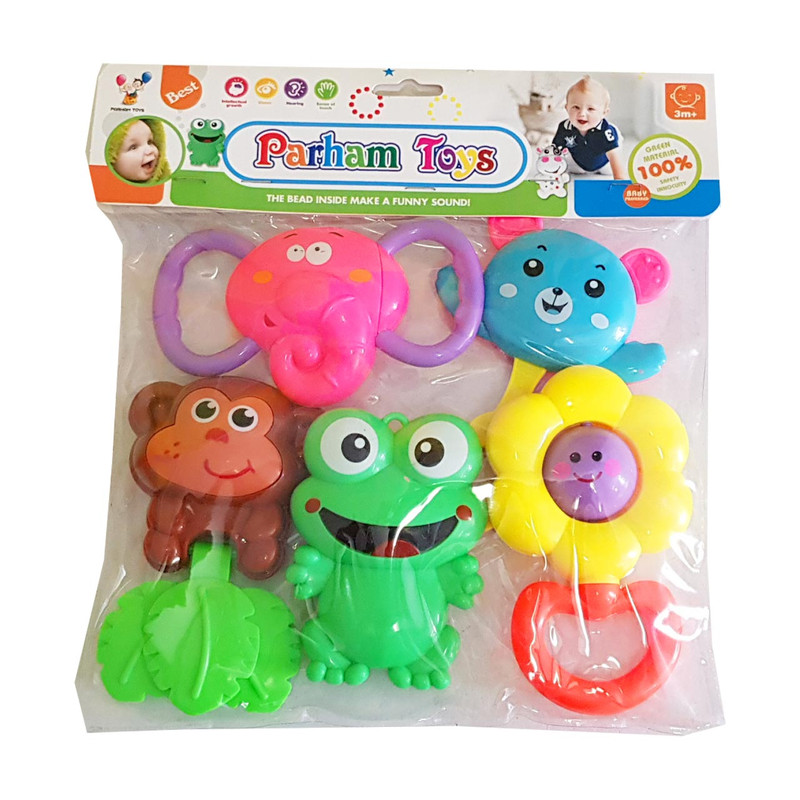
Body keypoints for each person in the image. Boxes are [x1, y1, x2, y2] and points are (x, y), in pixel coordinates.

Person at [552, 76, 626, 179]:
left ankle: (617, 138)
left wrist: (619, 179)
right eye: (576, 107)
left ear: (604, 113)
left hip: (605, 163)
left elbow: (613, 156)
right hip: (578, 163)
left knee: (609, 168)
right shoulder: (564, 127)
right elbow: (555, 151)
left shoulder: (606, 131)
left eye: (590, 109)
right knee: (567, 165)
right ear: (567, 108)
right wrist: (552, 172)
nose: (582, 114)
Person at [107, 118, 172, 184]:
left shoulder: (168, 183)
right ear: (111, 159)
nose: (149, 150)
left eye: (149, 142)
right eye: (133, 147)